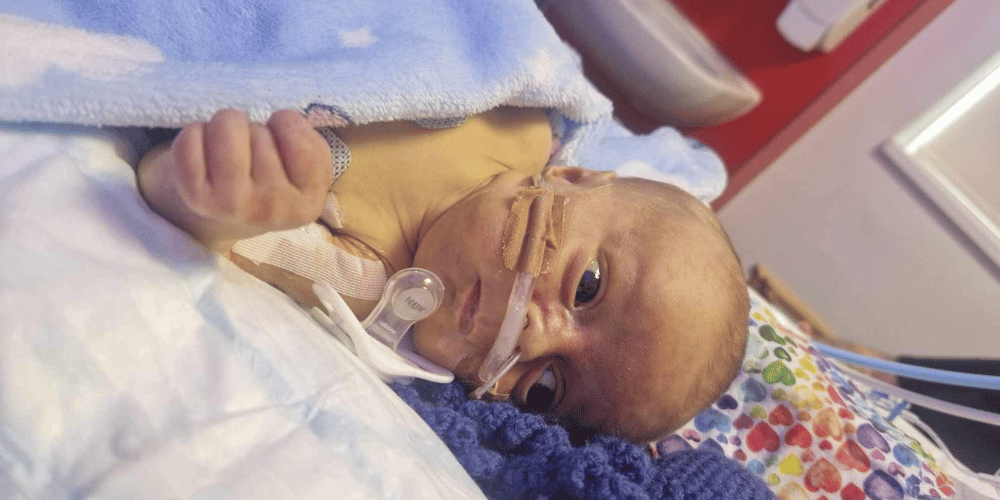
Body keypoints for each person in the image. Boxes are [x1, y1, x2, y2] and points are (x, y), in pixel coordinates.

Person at [136, 106, 750, 443]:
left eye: (545, 387)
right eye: (586, 286)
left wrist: (231, 197)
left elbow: (199, 212)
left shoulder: (369, 277)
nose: (536, 338)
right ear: (571, 177)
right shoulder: (527, 118)